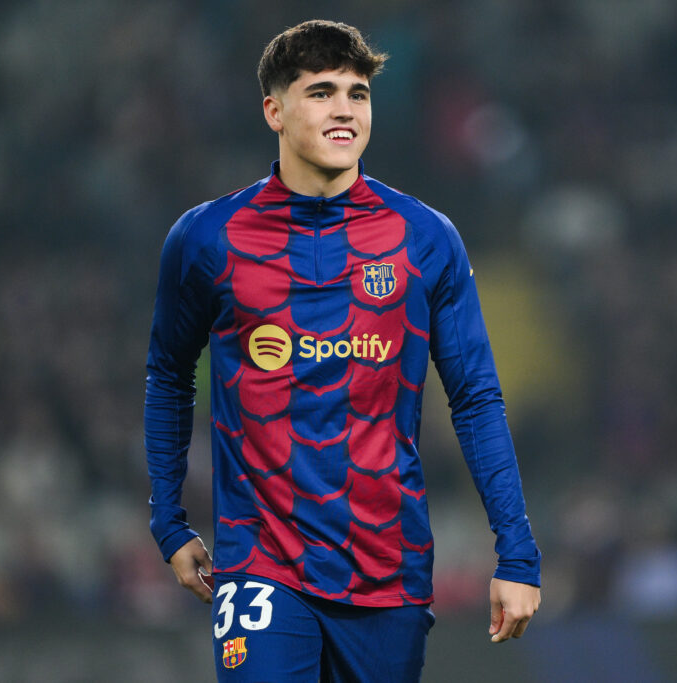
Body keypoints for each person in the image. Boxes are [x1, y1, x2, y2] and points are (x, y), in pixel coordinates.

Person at [144, 19, 541, 681]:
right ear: (273, 110)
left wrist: (517, 552)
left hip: (389, 567)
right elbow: (167, 372)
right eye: (322, 92)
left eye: (358, 94)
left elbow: (474, 398)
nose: (345, 110)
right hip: (260, 563)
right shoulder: (208, 238)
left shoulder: (424, 239)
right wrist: (170, 519)